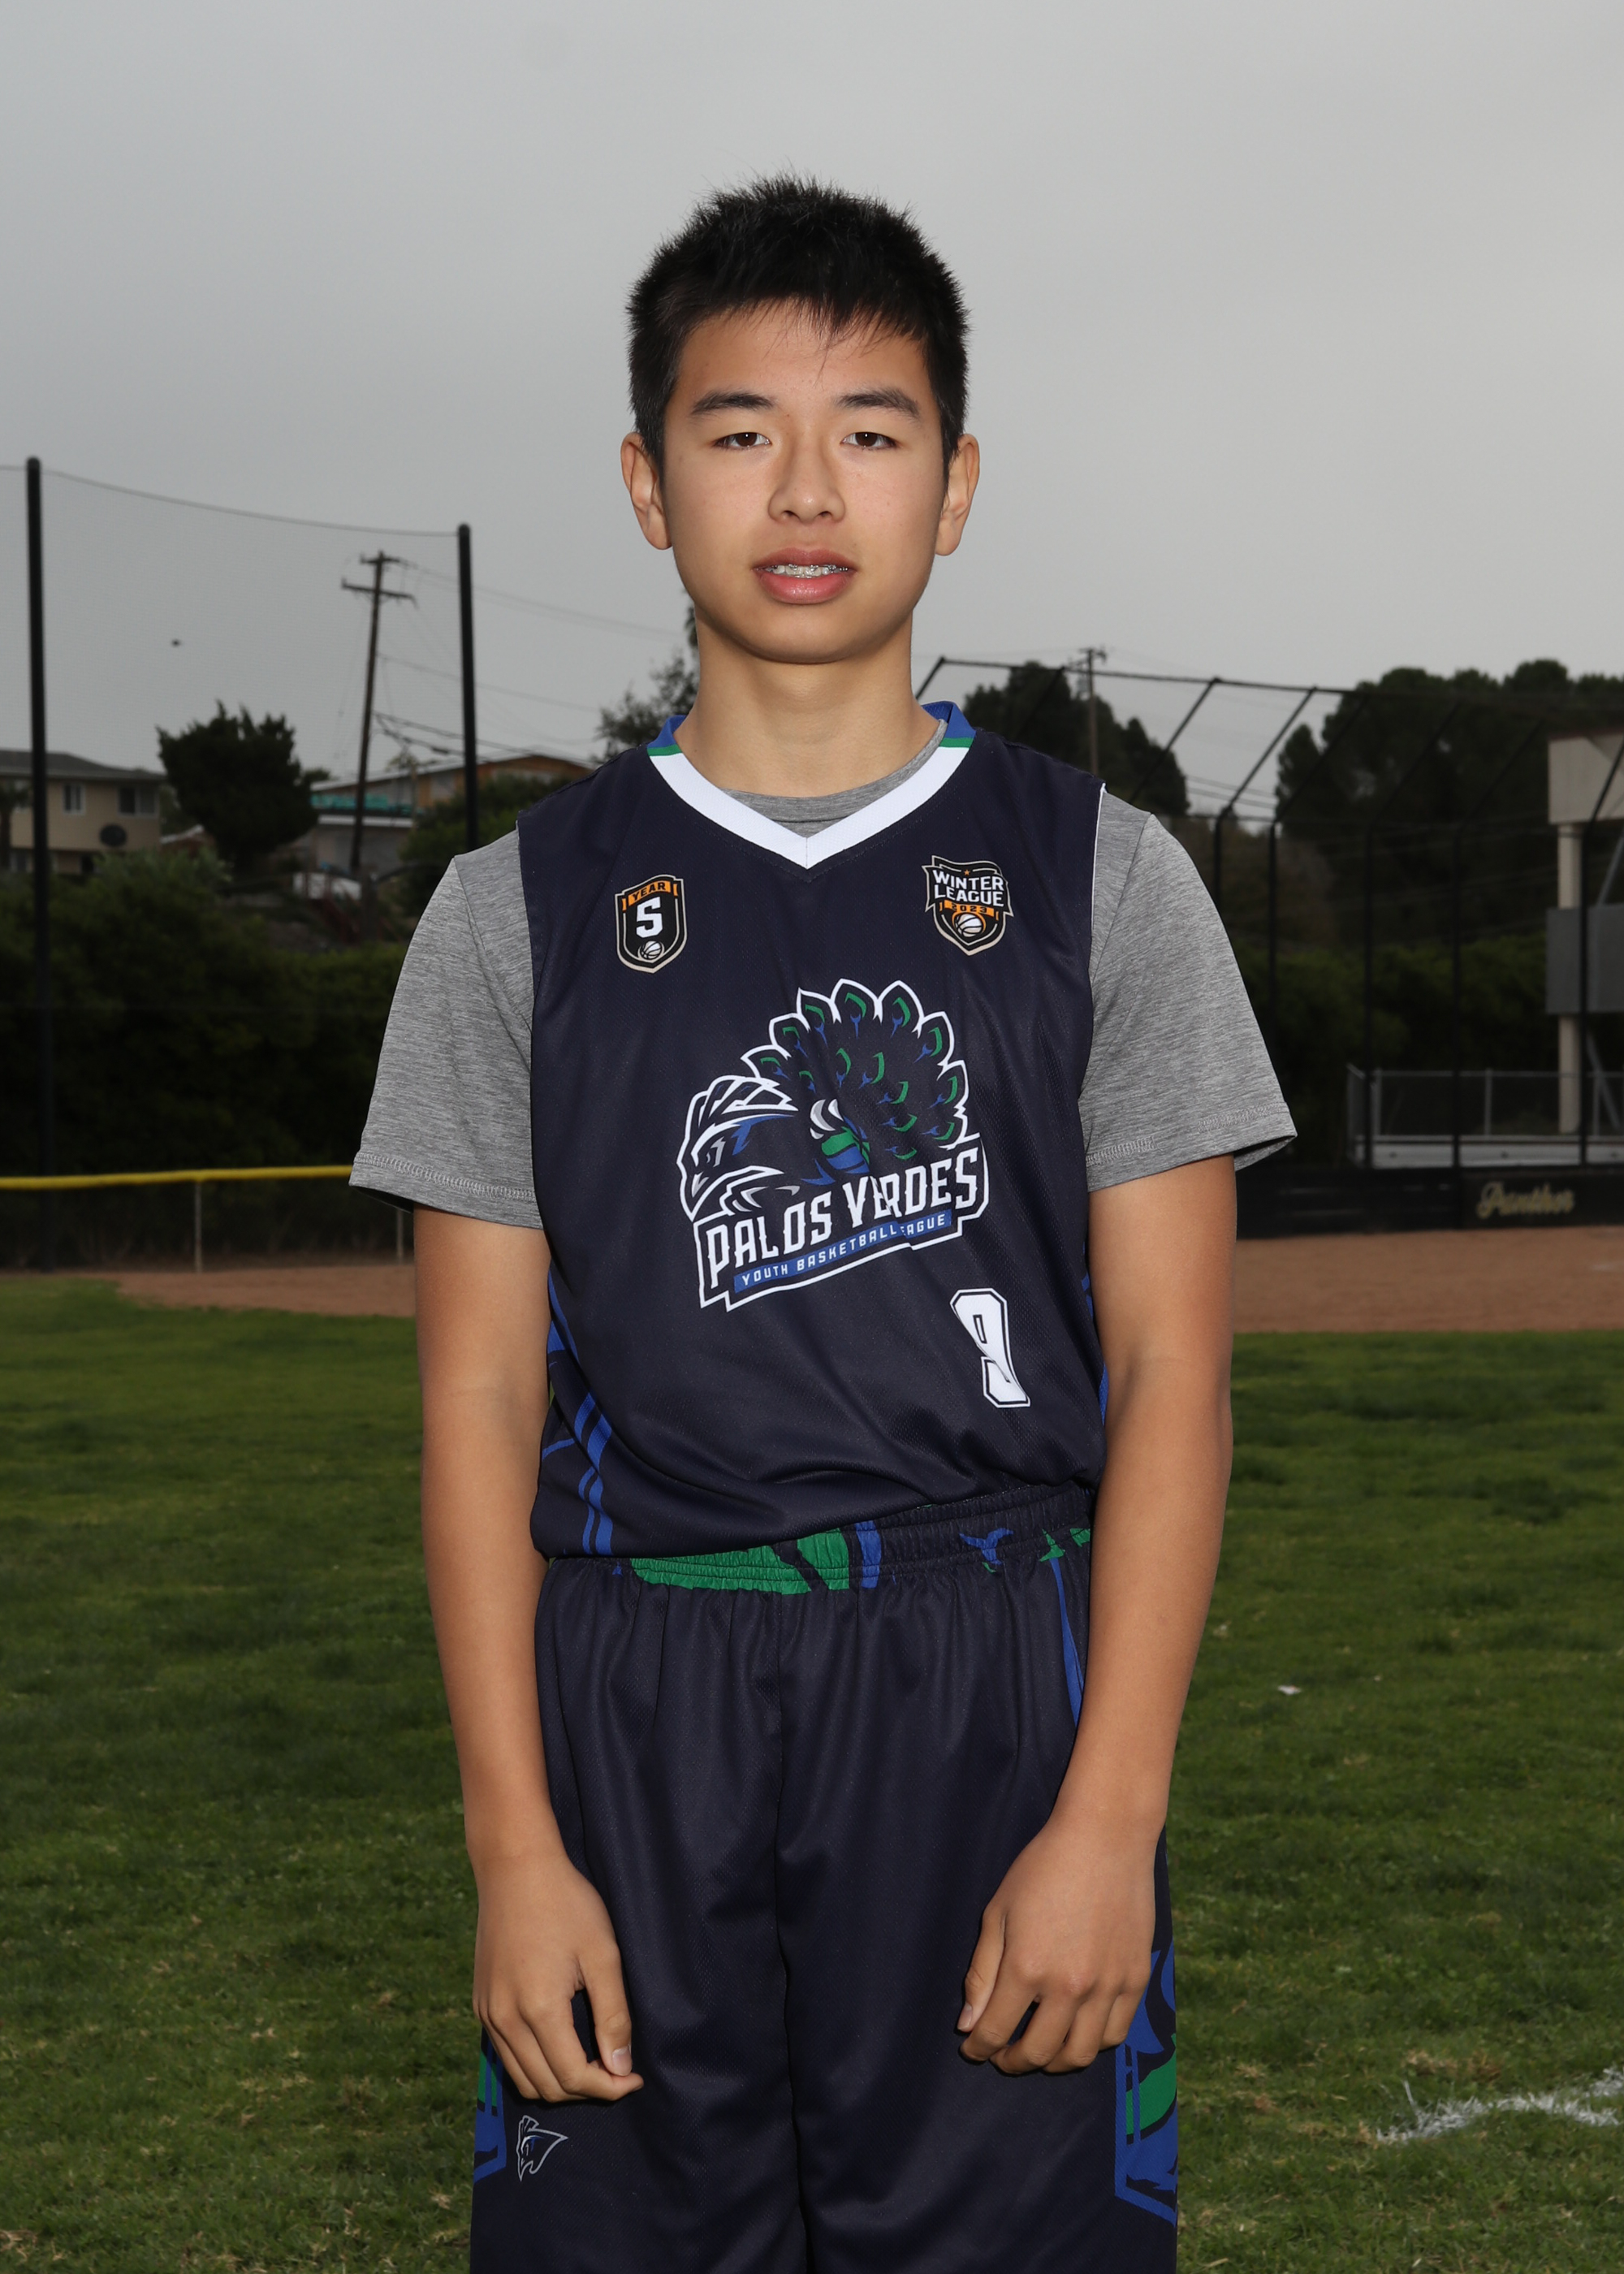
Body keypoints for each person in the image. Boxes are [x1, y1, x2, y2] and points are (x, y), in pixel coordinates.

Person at [353, 175, 1294, 2273]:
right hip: (637, 1700)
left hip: (987, 1688)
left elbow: (1174, 1375)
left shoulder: (1102, 880)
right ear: (645, 481)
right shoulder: (514, 914)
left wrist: (1110, 1815)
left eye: (870, 431)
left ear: (953, 487)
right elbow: (477, 1407)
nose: (805, 488)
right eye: (738, 429)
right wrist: (515, 1849)